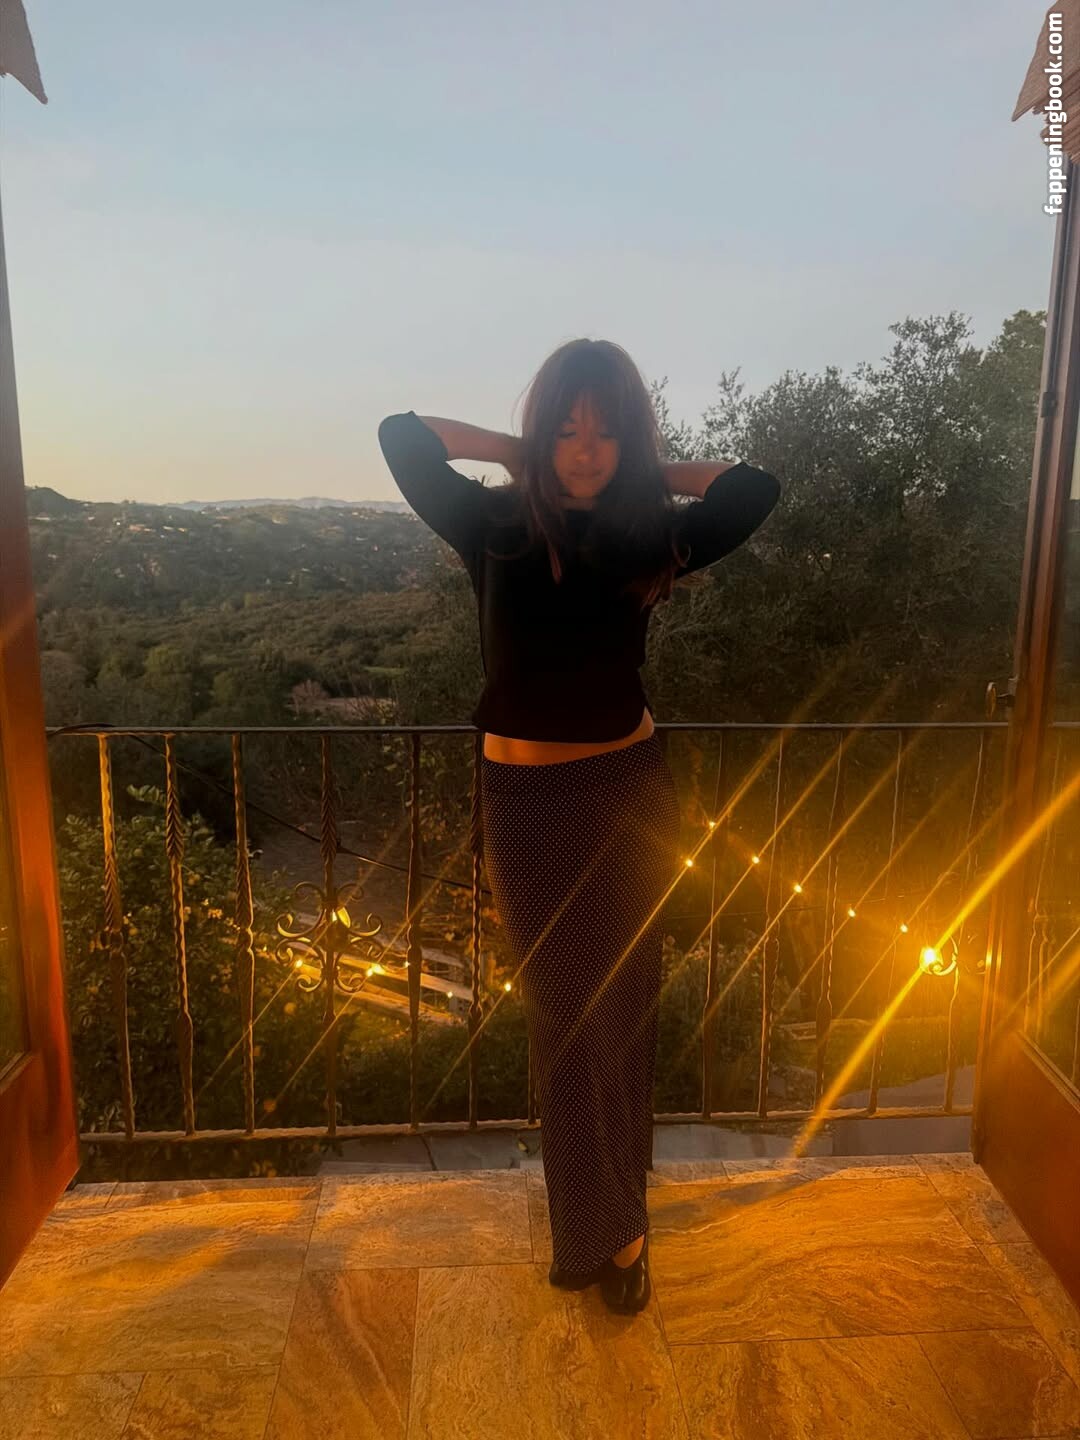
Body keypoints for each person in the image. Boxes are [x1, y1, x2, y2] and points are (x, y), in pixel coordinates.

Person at [377, 337, 781, 1315]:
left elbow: (753, 487)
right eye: (566, 430)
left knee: (621, 1012)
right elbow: (402, 436)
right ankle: (600, 1227)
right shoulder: (491, 524)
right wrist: (518, 452)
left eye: (604, 433)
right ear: (541, 438)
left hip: (626, 796)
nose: (585, 450)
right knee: (564, 1017)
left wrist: (648, 468)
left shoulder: (649, 537)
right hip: (524, 808)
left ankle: (618, 1231)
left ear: (628, 440)